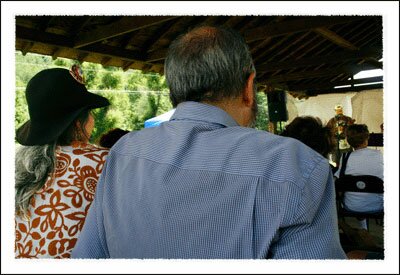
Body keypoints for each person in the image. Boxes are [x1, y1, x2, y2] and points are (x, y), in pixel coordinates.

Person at [72, 26, 346, 259]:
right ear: (248, 88)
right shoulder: (297, 166)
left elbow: (86, 257)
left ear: (174, 91)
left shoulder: (124, 152)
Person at [15, 66, 110, 258]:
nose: (93, 120)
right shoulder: (102, 162)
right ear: (77, 122)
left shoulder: (17, 165)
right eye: (89, 112)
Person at [334, 124, 384, 230]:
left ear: (348, 141)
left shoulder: (345, 157)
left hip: (351, 205)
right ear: (366, 138)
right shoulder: (378, 155)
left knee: (357, 193)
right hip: (378, 205)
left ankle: (364, 229)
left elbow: (338, 178)